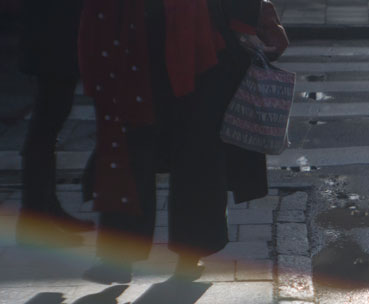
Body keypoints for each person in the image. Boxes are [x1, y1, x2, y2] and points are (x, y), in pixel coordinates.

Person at [79, 0, 271, 284]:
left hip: (188, 34)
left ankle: (185, 253)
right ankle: (126, 255)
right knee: (133, 145)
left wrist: (244, 24)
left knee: (191, 147)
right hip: (136, 33)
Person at [17, 0, 96, 246]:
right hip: (54, 39)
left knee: (48, 126)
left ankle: (46, 208)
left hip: (55, 36)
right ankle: (35, 218)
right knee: (46, 127)